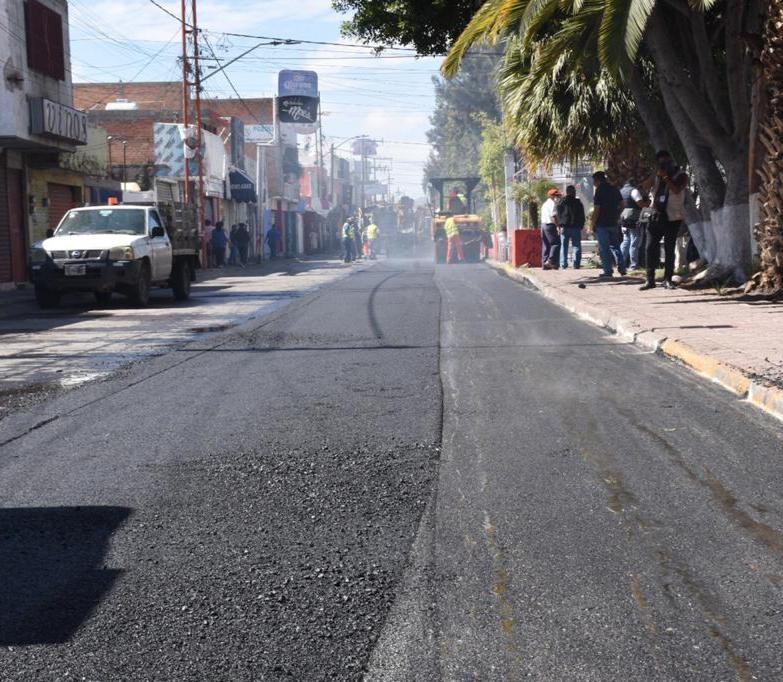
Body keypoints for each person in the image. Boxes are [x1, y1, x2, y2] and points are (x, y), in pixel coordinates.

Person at [640, 150, 689, 291]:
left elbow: (677, 190)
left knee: (669, 248)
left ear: (671, 161)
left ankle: (668, 279)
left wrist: (667, 178)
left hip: (673, 216)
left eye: (666, 161)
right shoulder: (657, 175)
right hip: (655, 215)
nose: (664, 164)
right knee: (650, 247)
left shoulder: (681, 175)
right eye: (660, 162)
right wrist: (655, 175)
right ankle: (650, 280)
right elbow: (644, 186)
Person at [591, 171, 626, 278]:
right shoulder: (614, 189)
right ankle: (622, 268)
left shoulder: (599, 191)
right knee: (616, 246)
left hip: (602, 224)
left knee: (604, 248)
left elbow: (597, 209)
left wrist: (592, 223)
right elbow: (623, 205)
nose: (594, 183)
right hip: (613, 222)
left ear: (597, 180)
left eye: (594, 181)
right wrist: (617, 214)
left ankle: (608, 271)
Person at [619, 178, 648, 270]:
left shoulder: (621, 191)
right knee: (634, 241)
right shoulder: (634, 191)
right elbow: (639, 203)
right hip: (633, 218)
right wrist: (647, 204)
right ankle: (634, 265)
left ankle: (621, 263)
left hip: (623, 217)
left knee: (626, 240)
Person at [556, 185, 585, 269]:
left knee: (564, 246)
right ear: (574, 192)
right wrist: (581, 225)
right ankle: (576, 264)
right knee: (576, 245)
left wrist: (559, 225)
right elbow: (582, 215)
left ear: (567, 192)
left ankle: (563, 264)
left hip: (564, 227)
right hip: (576, 227)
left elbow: (558, 214)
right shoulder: (578, 203)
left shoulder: (561, 202)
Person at [540, 188, 561, 270]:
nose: (558, 197)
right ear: (552, 196)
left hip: (544, 224)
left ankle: (544, 262)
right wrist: (558, 226)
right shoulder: (553, 204)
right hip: (550, 225)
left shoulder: (544, 204)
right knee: (555, 243)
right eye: (557, 195)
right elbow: (554, 216)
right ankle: (550, 261)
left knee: (546, 244)